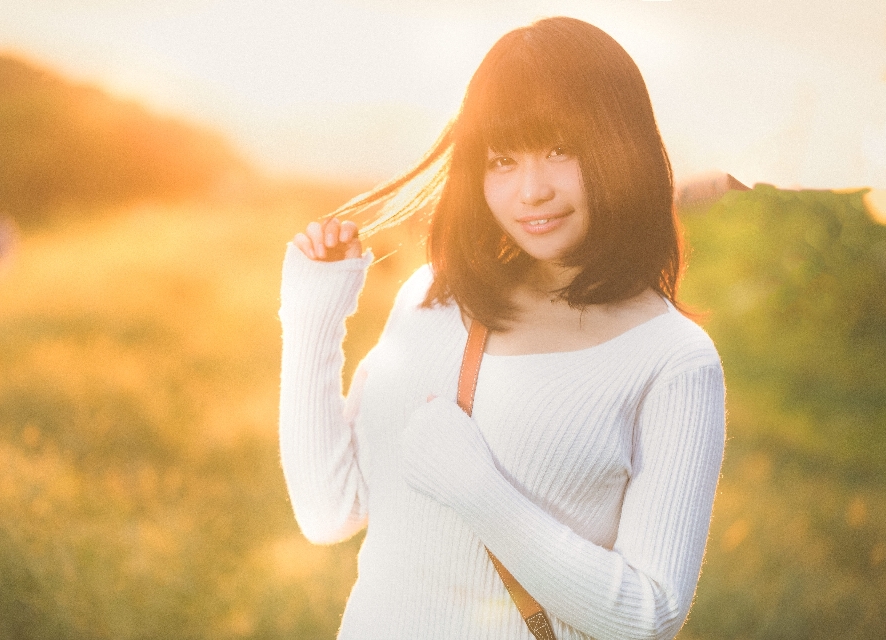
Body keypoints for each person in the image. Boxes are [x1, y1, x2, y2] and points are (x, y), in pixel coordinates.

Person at [279, 16, 725, 640]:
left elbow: (647, 616)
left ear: (622, 148)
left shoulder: (671, 358)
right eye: (502, 160)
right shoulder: (432, 302)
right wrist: (311, 315)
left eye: (561, 151)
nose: (531, 191)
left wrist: (477, 489)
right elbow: (330, 511)